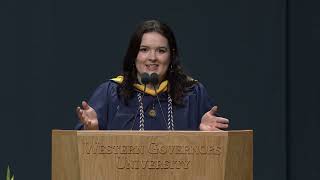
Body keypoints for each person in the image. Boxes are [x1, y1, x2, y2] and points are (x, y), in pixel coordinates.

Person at [76, 20, 229, 131]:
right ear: (134, 54)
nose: (152, 57)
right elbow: (81, 151)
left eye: (161, 51)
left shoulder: (193, 93)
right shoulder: (111, 92)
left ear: (171, 56)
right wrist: (91, 131)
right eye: (144, 50)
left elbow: (217, 152)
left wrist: (208, 136)